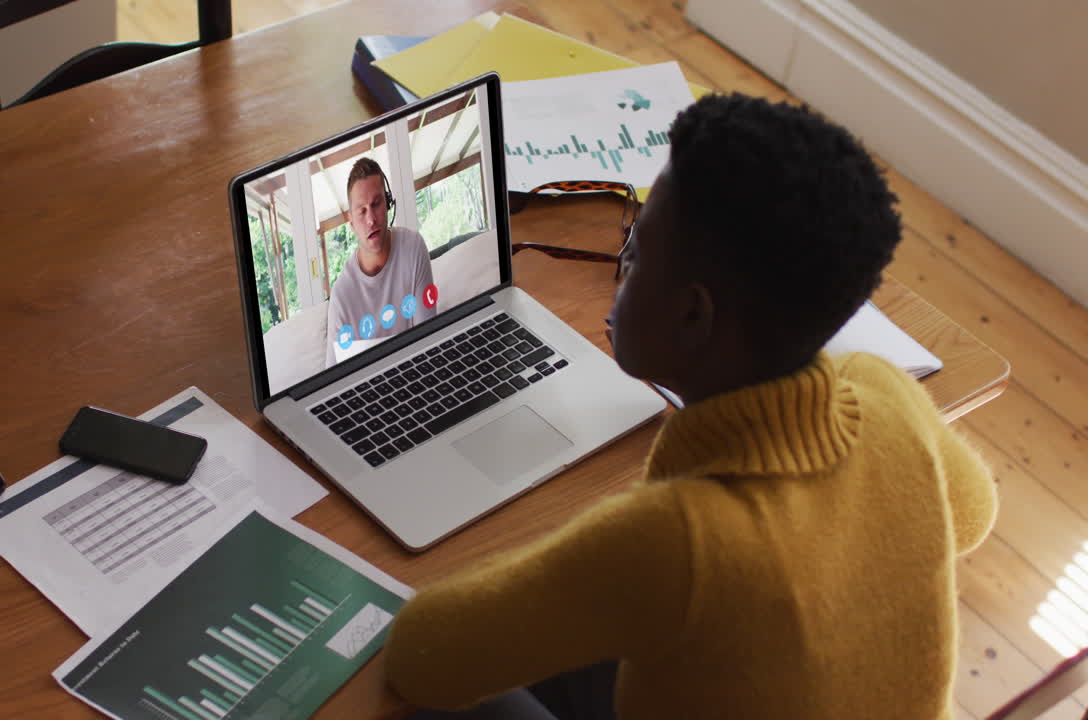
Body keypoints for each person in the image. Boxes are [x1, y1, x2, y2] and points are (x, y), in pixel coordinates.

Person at [383, 93, 997, 719]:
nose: (621, 266)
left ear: (693, 313)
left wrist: (578, 557)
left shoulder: (675, 542)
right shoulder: (885, 392)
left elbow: (420, 654)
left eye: (638, 252)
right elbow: (974, 511)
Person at [325, 158, 436, 367]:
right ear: (351, 222)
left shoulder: (413, 247)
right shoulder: (341, 294)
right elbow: (332, 380)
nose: (371, 219)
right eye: (362, 211)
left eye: (376, 204)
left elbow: (428, 340)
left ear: (388, 203)